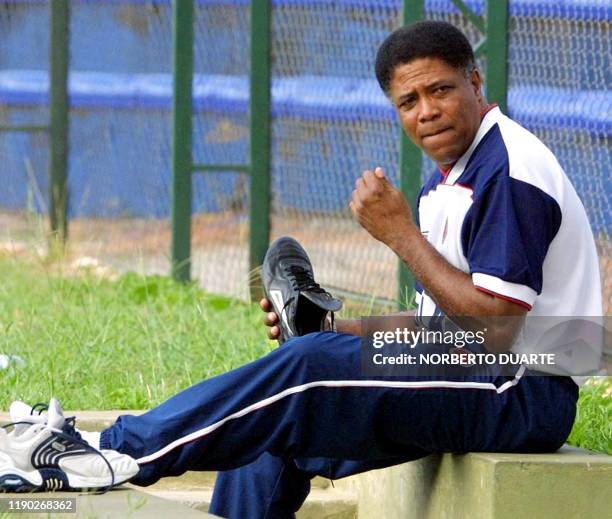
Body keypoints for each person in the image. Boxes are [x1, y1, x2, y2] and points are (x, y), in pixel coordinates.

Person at [1, 21, 602, 518]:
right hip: (475, 374)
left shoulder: (510, 170)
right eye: (408, 101)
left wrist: (400, 237)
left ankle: (106, 452)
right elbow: (444, 334)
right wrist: (337, 334)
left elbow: (497, 330)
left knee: (302, 374)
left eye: (441, 90)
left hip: (523, 391)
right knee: (274, 426)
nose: (426, 111)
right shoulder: (449, 178)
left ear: (476, 82)